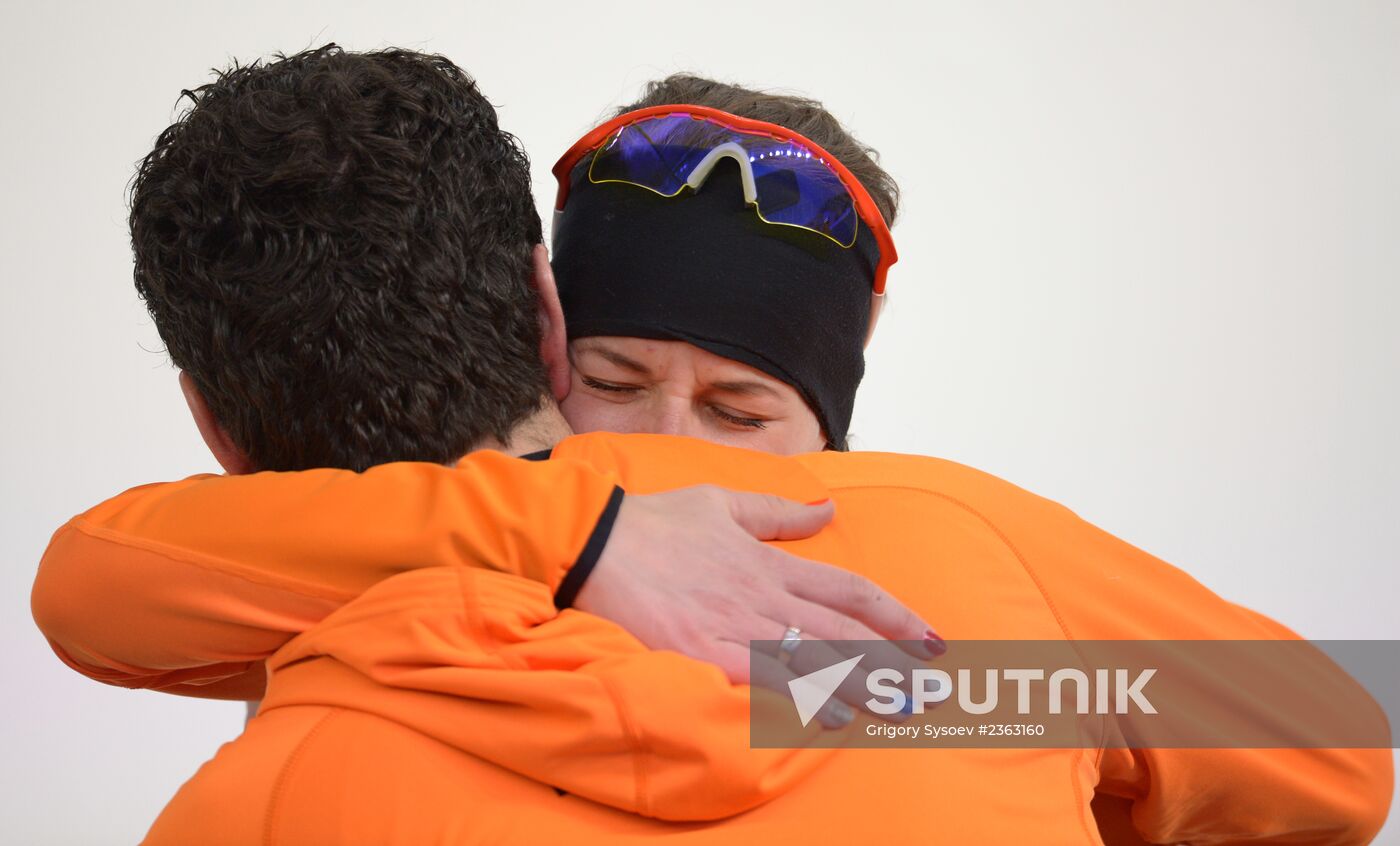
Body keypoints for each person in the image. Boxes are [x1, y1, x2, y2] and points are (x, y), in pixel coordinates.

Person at [30, 46, 1390, 845]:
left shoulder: (279, 715)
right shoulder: (963, 570)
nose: (677, 453)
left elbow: (90, 581)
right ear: (552, 332)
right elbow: (1338, 739)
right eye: (623, 382)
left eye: (744, 416)